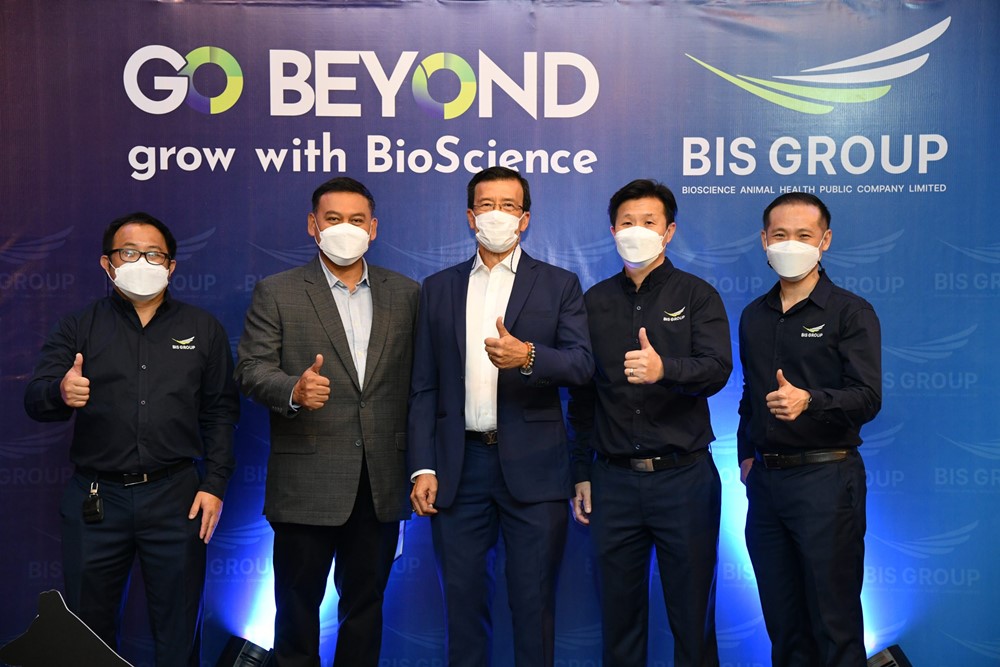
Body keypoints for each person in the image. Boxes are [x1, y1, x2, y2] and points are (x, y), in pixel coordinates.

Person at [23, 212, 240, 667]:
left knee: (179, 631)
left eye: (154, 254)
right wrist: (61, 392)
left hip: (177, 496)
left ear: (171, 266)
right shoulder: (78, 327)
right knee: (87, 633)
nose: (142, 262)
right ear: (107, 263)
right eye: (129, 252)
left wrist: (215, 483)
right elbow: (35, 399)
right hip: (97, 498)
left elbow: (221, 412)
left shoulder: (203, 329)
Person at [408, 166, 593, 667]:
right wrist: (423, 465)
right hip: (459, 466)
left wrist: (529, 356)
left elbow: (582, 365)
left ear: (525, 218)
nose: (497, 215)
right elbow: (423, 385)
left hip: (535, 468)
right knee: (463, 607)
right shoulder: (437, 287)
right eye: (486, 205)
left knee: (534, 605)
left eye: (508, 206)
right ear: (471, 217)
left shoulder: (559, 284)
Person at [235, 177, 418, 667]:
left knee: (366, 609)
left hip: (380, 482)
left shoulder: (406, 293)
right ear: (312, 225)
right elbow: (250, 369)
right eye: (333, 219)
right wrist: (292, 390)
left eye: (356, 220)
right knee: (296, 611)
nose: (345, 229)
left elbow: (420, 384)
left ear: (373, 228)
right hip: (306, 483)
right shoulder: (278, 292)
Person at [568, 179, 731, 667]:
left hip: (684, 478)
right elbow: (582, 396)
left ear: (669, 231)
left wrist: (666, 370)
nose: (636, 231)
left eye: (648, 222)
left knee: (692, 616)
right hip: (613, 481)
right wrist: (581, 470)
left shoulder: (698, 295)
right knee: (619, 620)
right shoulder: (593, 302)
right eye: (627, 222)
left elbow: (717, 369)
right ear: (612, 231)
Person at [738, 192, 881, 667]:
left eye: (803, 235)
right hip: (766, 485)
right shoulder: (753, 315)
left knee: (834, 623)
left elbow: (868, 397)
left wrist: (810, 400)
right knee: (784, 626)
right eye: (780, 235)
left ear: (825, 240)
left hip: (827, 480)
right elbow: (749, 395)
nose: (790, 244)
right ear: (764, 240)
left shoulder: (850, 312)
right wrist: (746, 456)